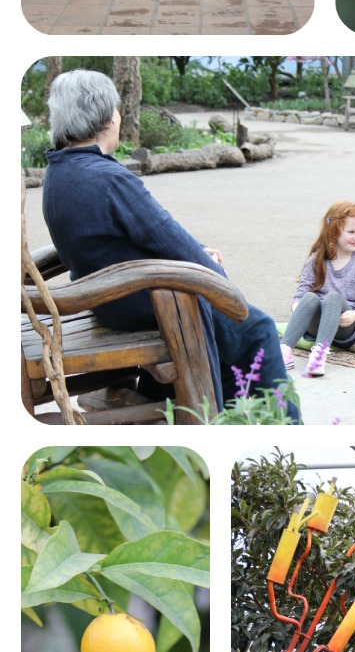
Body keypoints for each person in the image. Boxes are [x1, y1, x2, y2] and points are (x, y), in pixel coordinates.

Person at [41, 70, 300, 421]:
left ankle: (169, 400)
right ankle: (282, 425)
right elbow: (165, 233)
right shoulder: (108, 179)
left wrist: (198, 250)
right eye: (116, 110)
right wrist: (211, 275)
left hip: (108, 300)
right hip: (152, 302)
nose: (118, 117)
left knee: (230, 337)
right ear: (104, 116)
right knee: (257, 327)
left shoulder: (58, 173)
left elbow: (150, 235)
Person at [280, 202, 355, 377]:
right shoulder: (316, 259)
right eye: (351, 232)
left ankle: (319, 356)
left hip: (347, 325)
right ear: (334, 231)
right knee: (309, 298)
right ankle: (284, 351)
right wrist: (301, 310)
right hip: (316, 324)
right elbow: (299, 297)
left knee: (332, 297)